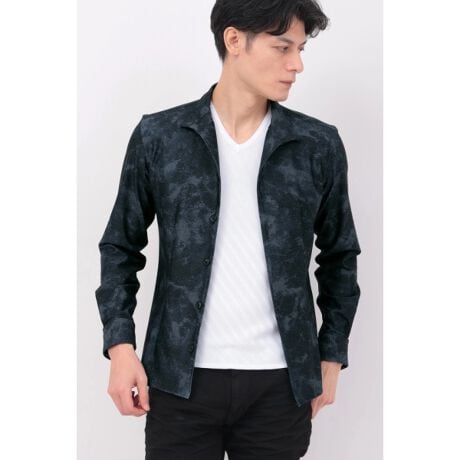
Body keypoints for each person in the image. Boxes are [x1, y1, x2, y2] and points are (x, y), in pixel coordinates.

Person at [95, 1, 362, 459]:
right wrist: (120, 348)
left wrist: (331, 355)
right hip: (179, 380)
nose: (296, 65)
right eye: (282, 48)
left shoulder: (316, 145)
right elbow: (120, 246)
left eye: (300, 50)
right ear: (234, 40)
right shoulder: (161, 137)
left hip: (280, 386)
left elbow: (340, 256)